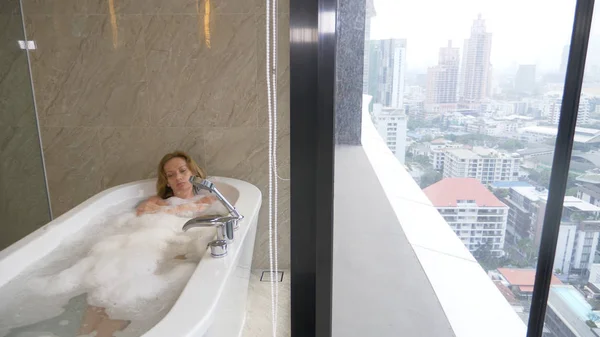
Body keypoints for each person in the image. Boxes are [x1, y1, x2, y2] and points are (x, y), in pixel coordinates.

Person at [136, 151, 217, 216]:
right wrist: (189, 207)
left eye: (183, 171)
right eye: (170, 175)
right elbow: (139, 215)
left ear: (193, 173)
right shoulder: (156, 201)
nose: (178, 177)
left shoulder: (208, 200)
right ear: (167, 182)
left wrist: (166, 210)